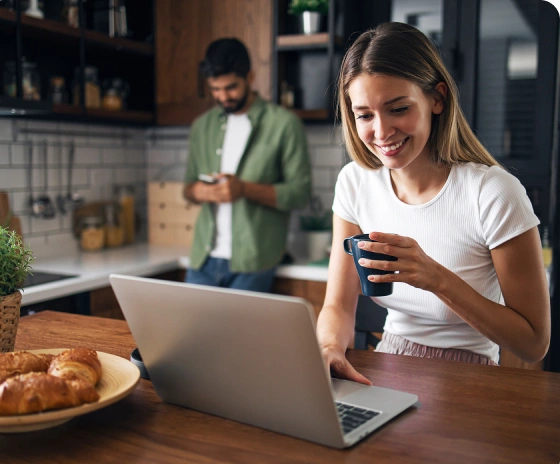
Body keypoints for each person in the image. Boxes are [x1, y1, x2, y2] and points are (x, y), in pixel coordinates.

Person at [317, 22, 551, 385]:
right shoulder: (355, 183)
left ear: (437, 98)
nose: (381, 133)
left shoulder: (492, 193)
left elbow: (534, 343)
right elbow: (338, 306)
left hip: (469, 376)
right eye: (364, 115)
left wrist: (436, 278)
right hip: (388, 362)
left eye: (397, 109)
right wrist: (329, 347)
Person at [183, 38, 311, 292]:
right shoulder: (201, 126)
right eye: (215, 89)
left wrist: (243, 189)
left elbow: (300, 194)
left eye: (230, 87)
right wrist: (201, 191)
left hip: (254, 261)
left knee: (238, 334)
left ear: (250, 77)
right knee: (191, 333)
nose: (222, 97)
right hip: (202, 259)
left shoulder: (284, 124)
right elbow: (188, 188)